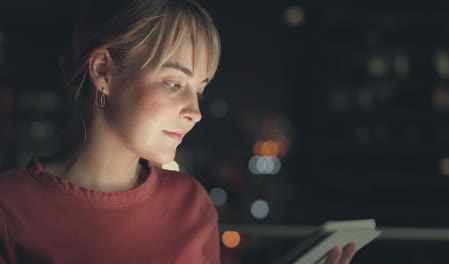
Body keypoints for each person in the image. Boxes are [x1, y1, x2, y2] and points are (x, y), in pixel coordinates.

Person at [0, 0, 356, 263]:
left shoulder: (192, 204)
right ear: (104, 70)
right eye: (173, 84)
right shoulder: (10, 208)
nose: (195, 112)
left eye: (199, 90)